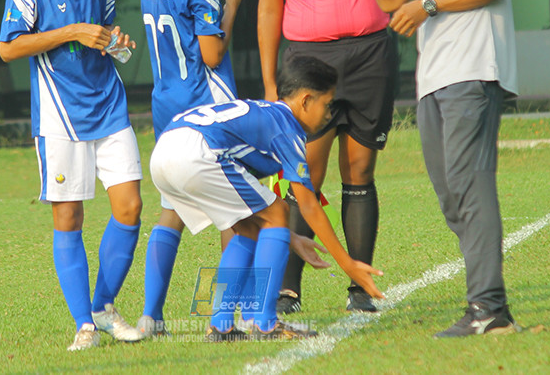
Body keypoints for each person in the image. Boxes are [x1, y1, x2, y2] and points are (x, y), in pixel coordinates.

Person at [334, 0, 521, 337]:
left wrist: (432, 4)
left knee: (470, 185)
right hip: (434, 78)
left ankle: (489, 308)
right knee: (448, 194)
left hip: (473, 68)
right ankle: (487, 304)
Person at [252, 0, 425, 314]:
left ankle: (360, 288)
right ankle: (288, 287)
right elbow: (269, 8)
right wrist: (269, 82)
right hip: (309, 62)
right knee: (303, 173)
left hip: (371, 54)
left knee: (360, 170)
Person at [0, 0, 144, 351]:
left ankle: (101, 307)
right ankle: (83, 323)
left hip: (109, 105)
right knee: (69, 220)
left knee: (129, 207)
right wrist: (73, 31)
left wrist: (115, 42)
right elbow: (9, 47)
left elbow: (102, 34)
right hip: (60, 116)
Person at [150, 55, 384, 342]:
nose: (328, 114)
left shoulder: (265, 114)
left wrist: (290, 238)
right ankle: (265, 322)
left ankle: (221, 325)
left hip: (165, 148)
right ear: (306, 100)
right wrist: (348, 264)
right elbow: (308, 205)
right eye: (327, 104)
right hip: (196, 151)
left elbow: (260, 217)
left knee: (246, 227)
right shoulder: (288, 128)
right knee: (279, 210)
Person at [137, 0, 247, 337]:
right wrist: (232, 6)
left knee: (173, 210)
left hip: (166, 110)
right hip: (206, 111)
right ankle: (223, 321)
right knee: (239, 214)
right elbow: (213, 54)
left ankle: (151, 316)